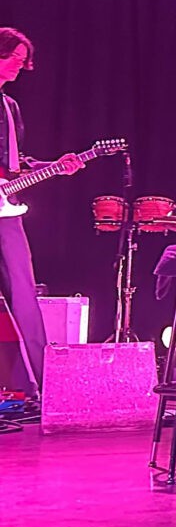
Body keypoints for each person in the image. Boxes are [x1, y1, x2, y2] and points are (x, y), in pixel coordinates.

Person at [0, 27, 85, 400]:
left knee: (23, 296)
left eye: (23, 59)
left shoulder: (10, 106)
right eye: (15, 57)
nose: (21, 65)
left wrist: (55, 164)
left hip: (6, 214)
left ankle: (40, 388)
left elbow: (15, 166)